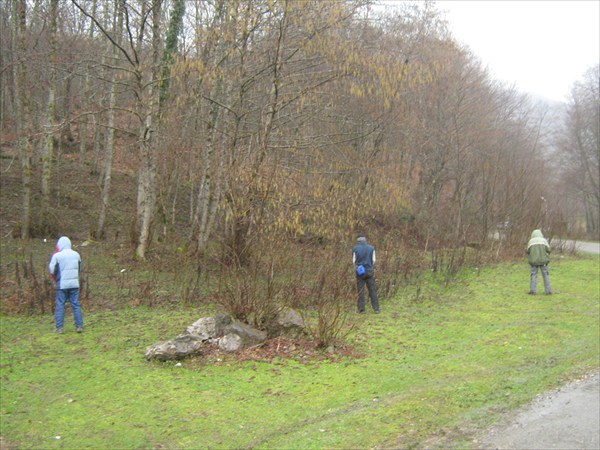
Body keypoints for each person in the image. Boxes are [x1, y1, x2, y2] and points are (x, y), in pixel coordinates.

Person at [49, 236, 84, 333]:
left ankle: (59, 328)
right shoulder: (76, 255)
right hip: (74, 284)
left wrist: (55, 279)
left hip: (62, 284)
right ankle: (79, 326)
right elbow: (79, 268)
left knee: (60, 305)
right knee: (75, 304)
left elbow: (52, 270)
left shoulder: (57, 256)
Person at [352, 236, 380, 313]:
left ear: (358, 242)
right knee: (372, 290)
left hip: (360, 271)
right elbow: (374, 260)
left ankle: (361, 309)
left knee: (360, 290)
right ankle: (376, 308)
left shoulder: (355, 249)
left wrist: (358, 267)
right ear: (365, 241)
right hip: (369, 270)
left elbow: (354, 261)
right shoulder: (371, 248)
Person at [526, 229, 552, 295]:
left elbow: (528, 251)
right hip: (543, 261)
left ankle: (533, 290)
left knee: (533, 275)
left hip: (534, 261)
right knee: (545, 275)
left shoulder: (531, 241)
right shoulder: (544, 240)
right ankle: (548, 291)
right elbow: (549, 250)